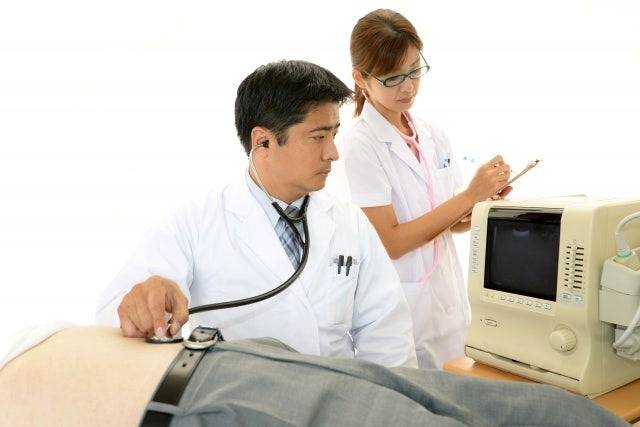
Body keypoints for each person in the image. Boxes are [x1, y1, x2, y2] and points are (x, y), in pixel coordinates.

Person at [96, 60, 418, 368]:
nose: (333, 153)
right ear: (262, 141)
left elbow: (388, 338)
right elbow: (115, 314)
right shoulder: (194, 222)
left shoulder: (350, 222)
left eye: (334, 134)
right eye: (318, 137)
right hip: (238, 399)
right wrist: (144, 302)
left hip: (337, 398)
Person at [0, 325, 627, 426]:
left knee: (527, 408)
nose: (332, 152)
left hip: (241, 357)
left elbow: (128, 302)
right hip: (194, 403)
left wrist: (150, 294)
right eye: (319, 136)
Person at [344, 9, 513, 369]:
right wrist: (469, 196)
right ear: (360, 78)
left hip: (447, 300)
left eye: (414, 70)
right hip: (402, 312)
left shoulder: (433, 135)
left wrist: (484, 204)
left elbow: (451, 223)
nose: (408, 87)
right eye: (393, 77)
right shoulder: (361, 144)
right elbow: (391, 241)